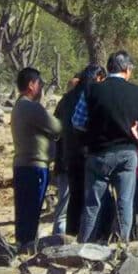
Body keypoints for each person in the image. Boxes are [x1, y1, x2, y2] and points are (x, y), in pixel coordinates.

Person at [73, 51, 138, 243]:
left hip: (98, 153)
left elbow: (77, 121)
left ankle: (84, 247)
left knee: (93, 203)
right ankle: (122, 245)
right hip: (126, 153)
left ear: (109, 69)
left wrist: (94, 128)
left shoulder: (91, 90)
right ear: (127, 69)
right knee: (125, 202)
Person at [11, 67, 61, 250]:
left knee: (23, 211)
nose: (40, 88)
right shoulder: (31, 107)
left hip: (21, 164)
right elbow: (56, 127)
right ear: (31, 85)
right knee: (32, 210)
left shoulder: (19, 105)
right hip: (35, 165)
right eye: (39, 84)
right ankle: (28, 247)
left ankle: (21, 244)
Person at [54, 65, 106, 236]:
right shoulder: (94, 95)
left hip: (69, 154)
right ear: (98, 77)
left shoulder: (66, 98)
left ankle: (70, 237)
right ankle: (91, 237)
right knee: (93, 199)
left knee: (75, 199)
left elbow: (56, 127)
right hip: (89, 152)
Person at [50, 74, 81, 235]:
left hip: (62, 161)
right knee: (67, 205)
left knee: (64, 203)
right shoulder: (79, 105)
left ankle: (58, 237)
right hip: (73, 163)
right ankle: (61, 239)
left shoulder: (61, 105)